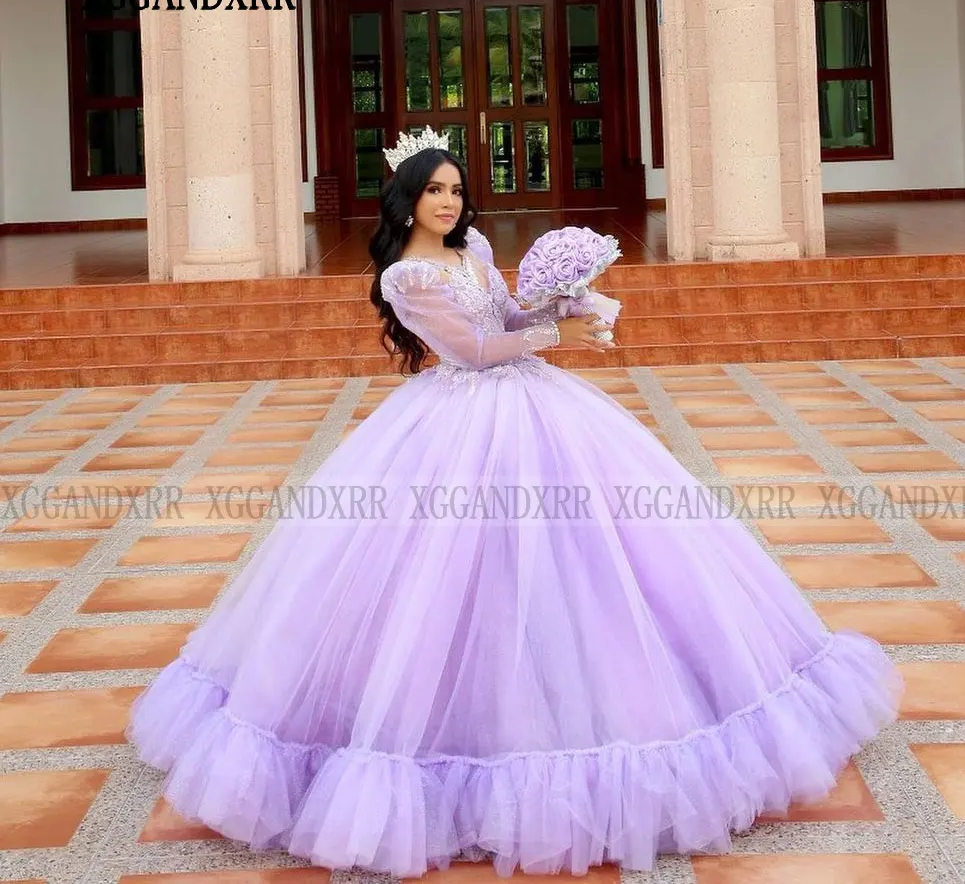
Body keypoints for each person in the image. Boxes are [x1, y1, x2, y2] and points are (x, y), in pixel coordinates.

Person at [128, 131, 901, 880]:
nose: (448, 201)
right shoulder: (407, 277)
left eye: (457, 189)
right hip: (457, 424)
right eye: (433, 189)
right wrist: (558, 330)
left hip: (536, 407)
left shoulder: (476, 251)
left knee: (598, 556)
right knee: (447, 573)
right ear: (404, 200)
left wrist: (570, 303)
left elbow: (506, 323)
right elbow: (472, 351)